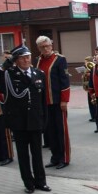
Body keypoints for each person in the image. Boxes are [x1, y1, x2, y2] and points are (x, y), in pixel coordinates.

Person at [0, 44, 51, 193]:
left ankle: (41, 182)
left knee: (37, 153)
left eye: (28, 57)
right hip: (18, 121)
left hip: (35, 120)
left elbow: (43, 100)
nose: (26, 60)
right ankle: (28, 183)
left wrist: (44, 120)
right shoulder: (8, 74)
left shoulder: (39, 74)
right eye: (22, 58)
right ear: (15, 60)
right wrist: (3, 66)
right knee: (23, 155)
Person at [35, 36, 71, 170]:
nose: (46, 48)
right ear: (39, 48)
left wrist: (64, 100)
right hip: (44, 103)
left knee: (60, 131)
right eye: (42, 47)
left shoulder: (60, 59)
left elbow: (65, 81)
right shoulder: (37, 60)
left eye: (47, 45)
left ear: (51, 44)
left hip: (57, 102)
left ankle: (64, 158)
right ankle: (55, 157)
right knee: (49, 132)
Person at [83, 56, 96, 122]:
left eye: (86, 61)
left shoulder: (92, 66)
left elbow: (94, 75)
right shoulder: (87, 68)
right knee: (90, 102)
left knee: (93, 102)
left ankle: (95, 116)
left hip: (92, 87)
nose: (85, 63)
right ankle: (92, 116)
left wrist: (89, 74)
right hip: (88, 87)